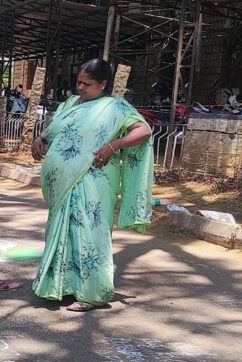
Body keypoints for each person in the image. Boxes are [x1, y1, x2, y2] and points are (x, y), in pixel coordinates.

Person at [31, 58, 153, 312]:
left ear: (103, 84)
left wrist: (113, 146)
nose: (81, 88)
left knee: (90, 231)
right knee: (62, 230)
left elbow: (143, 131)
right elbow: (53, 130)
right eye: (78, 82)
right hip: (62, 184)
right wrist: (40, 138)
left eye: (87, 84)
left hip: (95, 180)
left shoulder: (116, 107)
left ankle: (92, 293)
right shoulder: (69, 104)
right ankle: (62, 285)